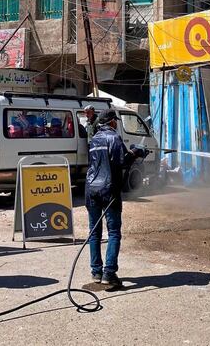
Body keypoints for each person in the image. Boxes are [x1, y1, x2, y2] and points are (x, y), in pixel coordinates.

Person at [85, 109, 146, 288]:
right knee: (113, 233)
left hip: (91, 189)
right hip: (108, 190)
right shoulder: (114, 138)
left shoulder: (94, 139)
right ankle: (109, 273)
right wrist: (136, 152)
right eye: (115, 122)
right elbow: (122, 162)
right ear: (111, 122)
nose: (116, 124)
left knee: (94, 233)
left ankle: (96, 272)